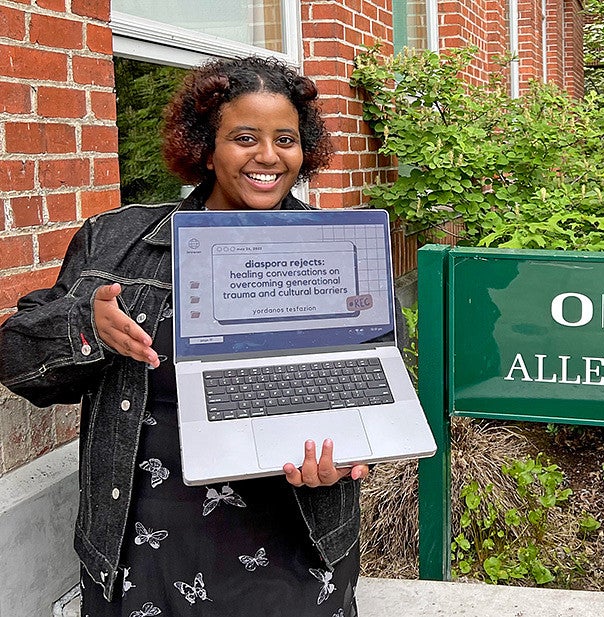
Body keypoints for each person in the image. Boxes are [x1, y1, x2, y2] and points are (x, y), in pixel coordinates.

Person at [0, 57, 369, 617]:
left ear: (305, 148)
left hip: (291, 544)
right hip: (142, 541)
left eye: (286, 139)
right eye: (244, 137)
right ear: (206, 146)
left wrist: (349, 453)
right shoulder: (116, 240)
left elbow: (361, 388)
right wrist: (85, 328)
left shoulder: (335, 253)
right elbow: (15, 358)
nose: (268, 157)